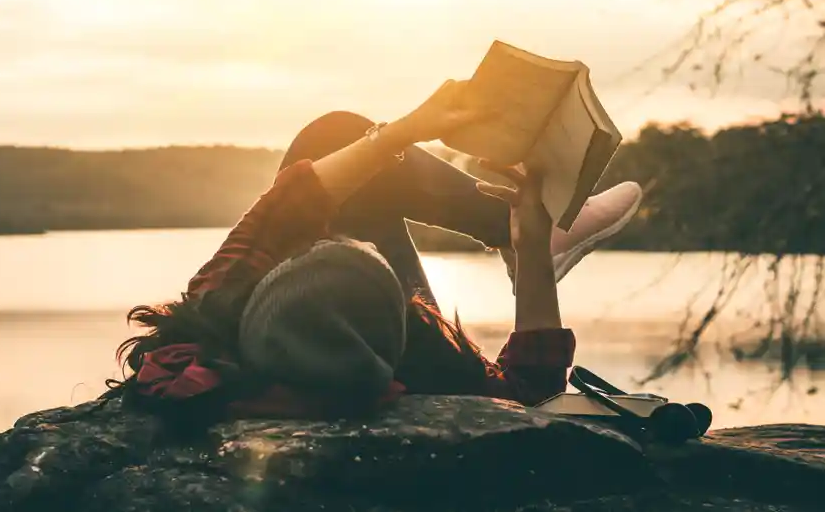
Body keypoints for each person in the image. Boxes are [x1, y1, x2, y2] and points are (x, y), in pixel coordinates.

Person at [104, 80, 642, 424]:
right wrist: (531, 257)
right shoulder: (433, 370)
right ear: (403, 320)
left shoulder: (216, 307)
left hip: (324, 336)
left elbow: (294, 197)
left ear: (266, 292)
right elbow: (534, 394)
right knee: (338, 143)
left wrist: (404, 132)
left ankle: (507, 226)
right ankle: (528, 235)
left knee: (333, 135)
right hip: (386, 343)